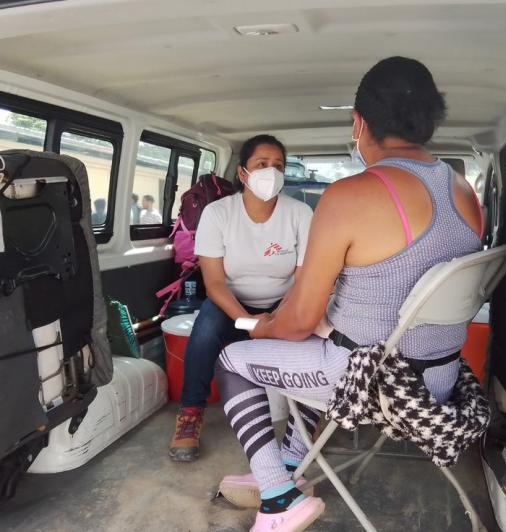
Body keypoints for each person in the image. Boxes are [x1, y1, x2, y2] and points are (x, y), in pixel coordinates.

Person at [214, 57, 484, 531]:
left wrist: (264, 325)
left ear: (359, 122)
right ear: (428, 119)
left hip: (370, 382)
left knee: (236, 358)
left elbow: (296, 323)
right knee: (311, 350)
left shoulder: (350, 195)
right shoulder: (464, 193)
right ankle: (289, 467)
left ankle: (278, 498)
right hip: (440, 379)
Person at [168, 134, 313, 463]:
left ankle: (305, 421)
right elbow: (215, 284)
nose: (271, 172)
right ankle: (190, 413)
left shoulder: (300, 213)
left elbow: (305, 281)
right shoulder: (218, 214)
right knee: (204, 331)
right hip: (230, 303)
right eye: (262, 164)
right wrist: (249, 323)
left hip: (284, 302)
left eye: (278, 166)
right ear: (243, 173)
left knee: (312, 334)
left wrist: (279, 319)